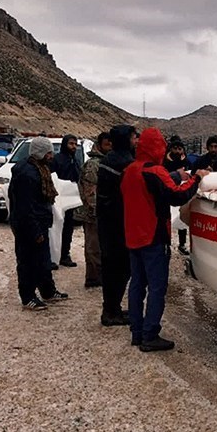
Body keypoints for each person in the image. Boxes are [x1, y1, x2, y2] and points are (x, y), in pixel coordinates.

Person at [121, 128, 210, 351]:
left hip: (133, 235)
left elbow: (149, 189)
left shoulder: (129, 170)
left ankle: (137, 332)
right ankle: (150, 335)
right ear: (158, 148)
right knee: (157, 287)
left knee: (137, 285)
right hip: (154, 236)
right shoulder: (155, 171)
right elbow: (177, 196)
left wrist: (175, 177)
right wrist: (198, 178)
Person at [8, 136, 69, 310]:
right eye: (49, 152)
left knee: (43, 260)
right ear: (41, 153)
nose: (52, 156)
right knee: (28, 262)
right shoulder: (28, 174)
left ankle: (47, 291)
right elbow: (25, 207)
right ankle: (27, 297)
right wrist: (35, 232)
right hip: (28, 226)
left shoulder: (39, 168)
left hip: (39, 222)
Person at [96, 124, 139, 326]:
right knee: (120, 269)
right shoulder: (125, 164)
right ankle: (111, 312)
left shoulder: (108, 159)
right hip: (118, 225)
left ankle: (111, 308)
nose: (136, 141)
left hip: (107, 223)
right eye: (133, 137)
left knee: (111, 268)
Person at [76, 132, 111, 289]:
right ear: (99, 145)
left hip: (99, 212)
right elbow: (90, 191)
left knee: (98, 246)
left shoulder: (105, 162)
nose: (110, 147)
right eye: (106, 144)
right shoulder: (93, 164)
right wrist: (97, 211)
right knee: (93, 247)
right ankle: (94, 277)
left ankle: (95, 276)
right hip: (93, 213)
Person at [50, 134, 80, 268]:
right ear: (65, 144)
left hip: (70, 201)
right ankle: (52, 257)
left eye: (75, 144)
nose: (73, 147)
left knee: (68, 228)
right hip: (58, 199)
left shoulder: (75, 160)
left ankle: (64, 255)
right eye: (71, 144)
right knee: (55, 228)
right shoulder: (57, 160)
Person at [162, 135, 192, 255]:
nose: (178, 151)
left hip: (181, 193)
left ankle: (182, 244)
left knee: (182, 219)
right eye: (175, 148)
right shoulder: (164, 162)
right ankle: (167, 243)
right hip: (168, 194)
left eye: (180, 149)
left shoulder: (186, 161)